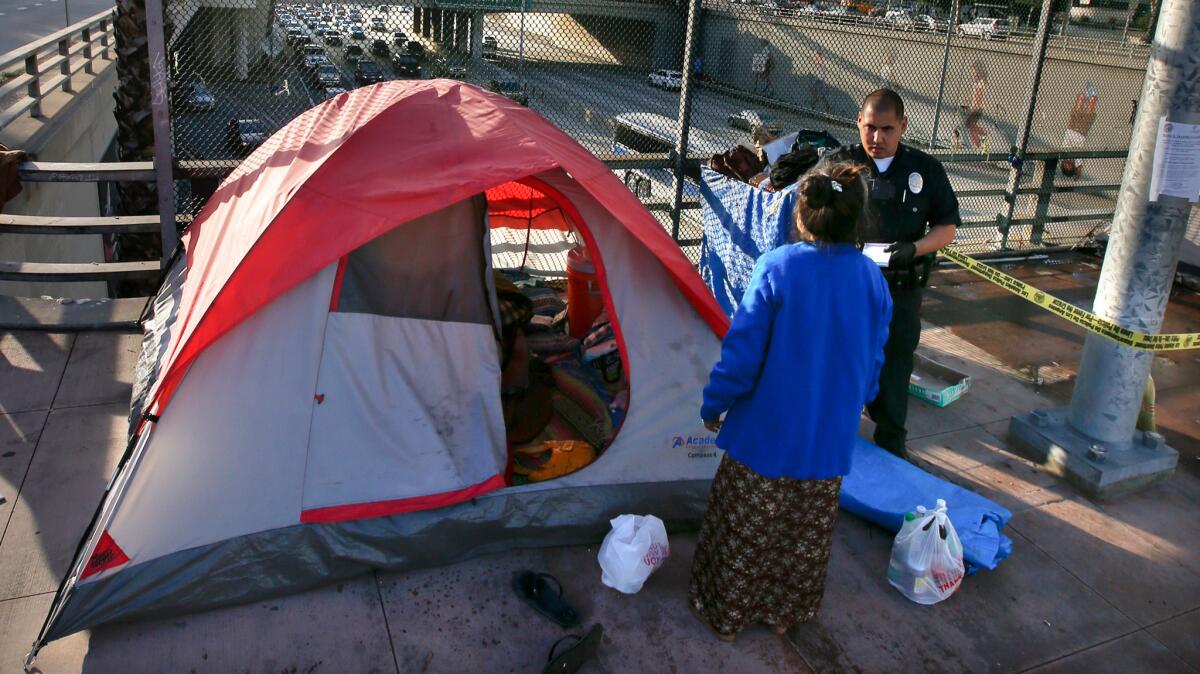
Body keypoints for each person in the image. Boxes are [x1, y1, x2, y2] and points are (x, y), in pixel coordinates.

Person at [689, 163, 893, 641]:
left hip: (764, 440)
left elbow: (741, 355)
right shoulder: (872, 280)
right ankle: (785, 616)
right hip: (828, 445)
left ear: (801, 216)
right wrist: (854, 402)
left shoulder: (778, 267)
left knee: (745, 530)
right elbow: (873, 363)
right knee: (803, 536)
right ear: (857, 219)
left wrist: (713, 403)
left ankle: (727, 617)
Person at [825, 88, 961, 458]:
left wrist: (914, 249)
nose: (877, 138)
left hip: (899, 290)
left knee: (895, 366)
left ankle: (890, 442)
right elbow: (809, 211)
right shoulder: (839, 164)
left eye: (887, 129)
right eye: (870, 128)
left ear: (903, 126)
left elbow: (946, 226)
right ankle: (833, 436)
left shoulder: (925, 170)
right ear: (858, 122)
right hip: (848, 289)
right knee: (841, 361)